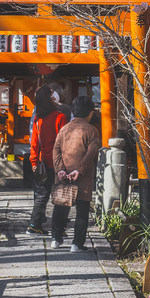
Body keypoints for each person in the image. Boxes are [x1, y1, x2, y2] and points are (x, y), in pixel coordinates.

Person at [50, 96, 101, 252]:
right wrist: (79, 170)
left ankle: (55, 239)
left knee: (60, 206)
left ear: (73, 111)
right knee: (82, 209)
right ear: (90, 113)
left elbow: (56, 150)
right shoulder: (92, 130)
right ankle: (76, 244)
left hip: (63, 175)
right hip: (82, 176)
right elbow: (90, 154)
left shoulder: (64, 129)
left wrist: (60, 170)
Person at [27, 86, 67, 235]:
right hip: (58, 161)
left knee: (42, 195)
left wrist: (33, 163)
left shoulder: (38, 118)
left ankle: (34, 224)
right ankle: (59, 229)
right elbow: (64, 142)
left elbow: (34, 143)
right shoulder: (60, 117)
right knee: (60, 195)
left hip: (42, 161)